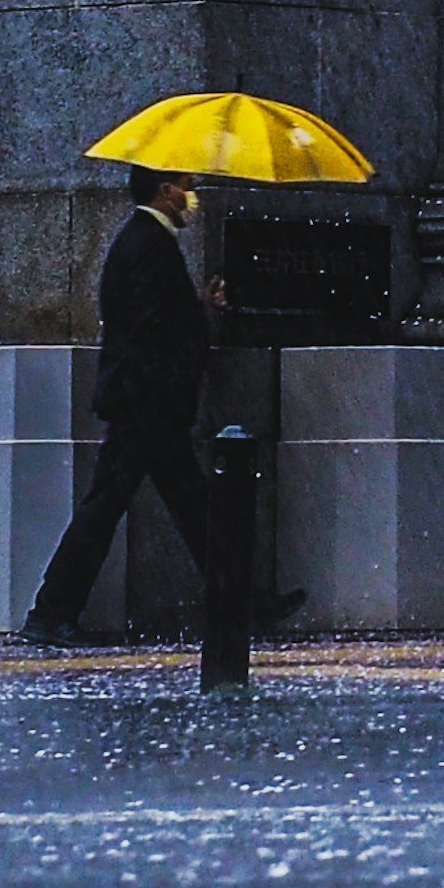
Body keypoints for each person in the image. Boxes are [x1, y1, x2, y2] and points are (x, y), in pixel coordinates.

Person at [21, 176, 295, 644]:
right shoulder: (149, 244)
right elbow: (151, 331)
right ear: (166, 191)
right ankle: (51, 611)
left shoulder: (144, 241)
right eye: (186, 187)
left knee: (189, 507)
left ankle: (240, 602)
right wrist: (171, 382)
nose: (192, 197)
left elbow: (153, 320)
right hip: (147, 406)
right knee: (114, 507)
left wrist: (198, 308)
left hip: (146, 404)